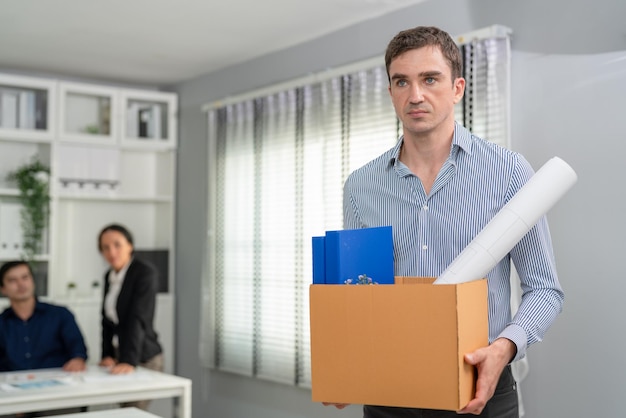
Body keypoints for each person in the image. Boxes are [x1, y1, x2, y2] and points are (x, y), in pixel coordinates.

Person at [327, 26, 564, 417]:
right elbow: (359, 295)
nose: (415, 95)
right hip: (390, 393)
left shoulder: (508, 172)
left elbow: (545, 289)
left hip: (481, 387)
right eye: (401, 81)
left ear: (457, 88)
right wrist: (347, 363)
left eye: (430, 79)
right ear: (390, 93)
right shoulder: (361, 186)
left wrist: (504, 347)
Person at [0, 260, 88, 418]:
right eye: (12, 280)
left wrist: (78, 359)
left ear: (32, 281)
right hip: (13, 393)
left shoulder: (60, 315)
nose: (21, 284)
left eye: (25, 277)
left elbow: (78, 349)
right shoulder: (1, 323)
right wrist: (16, 403)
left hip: (56, 392)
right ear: (3, 289)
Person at [97, 223, 163, 411]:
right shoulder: (109, 275)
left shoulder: (144, 272)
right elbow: (106, 320)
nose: (112, 252)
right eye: (105, 247)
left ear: (130, 245)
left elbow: (138, 318)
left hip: (143, 356)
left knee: (133, 413)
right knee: (123, 412)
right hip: (121, 355)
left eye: (117, 244)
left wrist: (128, 360)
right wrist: (107, 354)